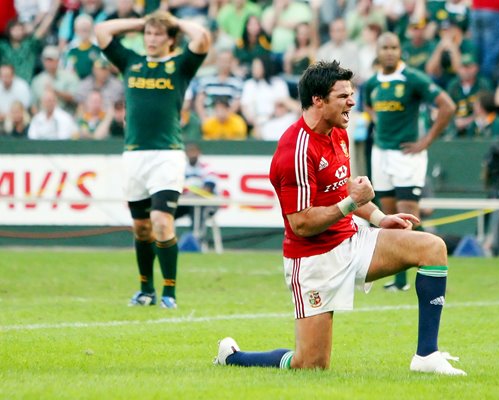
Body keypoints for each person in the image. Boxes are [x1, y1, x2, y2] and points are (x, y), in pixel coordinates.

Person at [214, 60, 466, 376]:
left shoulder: (337, 131)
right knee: (311, 364)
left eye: (351, 94)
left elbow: (339, 186)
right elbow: (302, 224)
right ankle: (234, 357)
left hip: (350, 240)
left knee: (432, 248)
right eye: (343, 96)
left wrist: (378, 217)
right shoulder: (294, 149)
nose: (352, 102)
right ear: (318, 100)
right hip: (313, 260)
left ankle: (427, 356)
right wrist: (351, 203)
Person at [95, 10, 211, 309]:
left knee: (161, 221)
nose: (151, 39)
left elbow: (202, 37)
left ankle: (169, 292)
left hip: (167, 154)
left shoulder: (179, 65)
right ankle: (146, 290)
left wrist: (172, 22)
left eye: (159, 34)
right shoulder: (131, 62)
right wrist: (141, 22)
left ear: (171, 39)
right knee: (141, 228)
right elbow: (102, 31)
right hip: (134, 155)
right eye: (148, 34)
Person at [364, 32, 456, 292]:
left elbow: (447, 106)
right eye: (385, 47)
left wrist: (426, 140)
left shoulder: (413, 78)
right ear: (378, 51)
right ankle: (401, 280)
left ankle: (427, 264)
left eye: (394, 47)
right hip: (381, 153)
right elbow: (369, 110)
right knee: (390, 216)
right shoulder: (372, 84)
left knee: (407, 213)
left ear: (400, 50)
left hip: (407, 156)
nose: (390, 52)